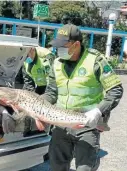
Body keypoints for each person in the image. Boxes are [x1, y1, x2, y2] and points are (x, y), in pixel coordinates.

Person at [40, 24, 124, 171]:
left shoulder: (95, 61)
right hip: (60, 125)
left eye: (63, 46)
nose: (58, 50)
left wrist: (98, 111)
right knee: (57, 167)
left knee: (85, 168)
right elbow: (51, 92)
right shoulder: (56, 63)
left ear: (76, 44)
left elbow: (115, 90)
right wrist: (39, 105)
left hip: (87, 126)